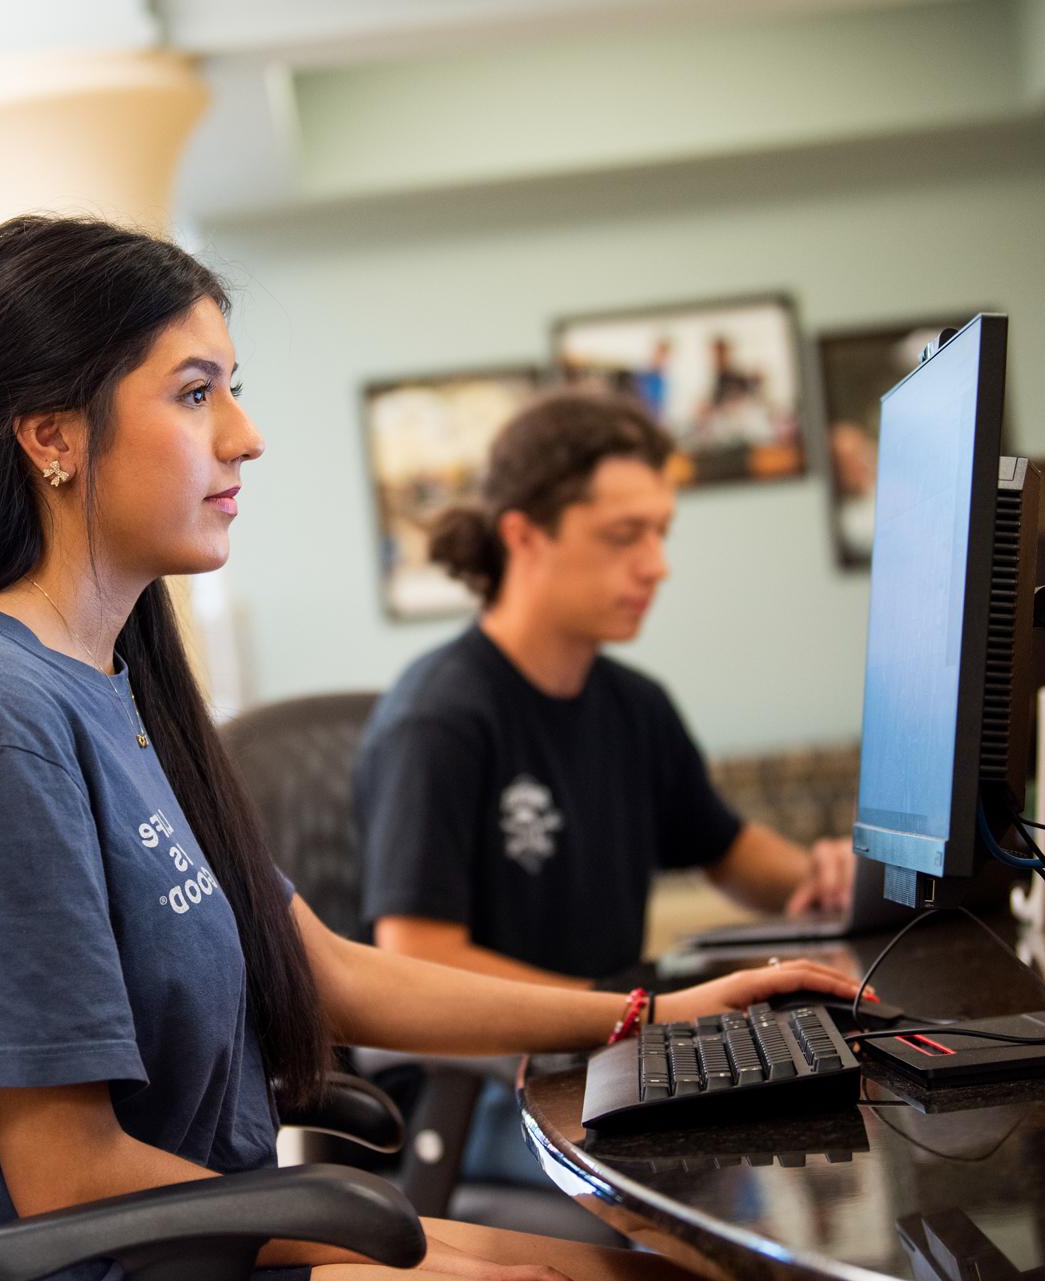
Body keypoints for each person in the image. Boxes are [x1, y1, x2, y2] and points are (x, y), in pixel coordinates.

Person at [0, 217, 862, 1281]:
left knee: (668, 1269)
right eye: (196, 393)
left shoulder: (104, 678)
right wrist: (372, 1230)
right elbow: (67, 1178)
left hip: (199, 1235)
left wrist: (650, 1018)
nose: (244, 435)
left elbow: (323, 969)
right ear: (51, 433)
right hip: (108, 1257)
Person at [354, 393, 857, 1188]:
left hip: (610, 1048)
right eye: (625, 536)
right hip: (491, 1085)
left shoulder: (633, 704)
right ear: (523, 535)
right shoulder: (441, 717)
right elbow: (415, 955)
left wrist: (826, 876)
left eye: (660, 532)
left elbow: (728, 852)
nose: (656, 563)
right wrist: (617, 1013)